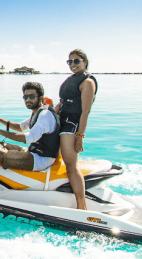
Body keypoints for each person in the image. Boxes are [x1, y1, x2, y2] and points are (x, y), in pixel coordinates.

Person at [0, 82, 60, 191]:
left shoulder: (44, 115)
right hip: (34, 152)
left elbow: (28, 138)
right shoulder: (37, 112)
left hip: (41, 160)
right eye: (25, 97)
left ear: (41, 98)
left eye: (32, 96)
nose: (28, 99)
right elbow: (20, 127)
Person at [56, 48, 96, 210]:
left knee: (71, 165)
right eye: (70, 61)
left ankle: (81, 206)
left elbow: (85, 112)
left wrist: (80, 136)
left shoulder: (87, 82)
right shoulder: (72, 79)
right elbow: (62, 102)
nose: (72, 64)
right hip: (60, 122)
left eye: (76, 61)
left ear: (85, 62)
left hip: (71, 126)